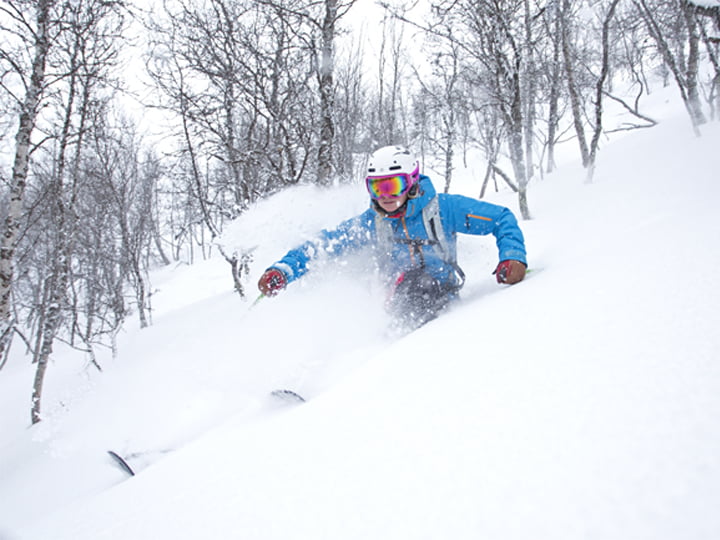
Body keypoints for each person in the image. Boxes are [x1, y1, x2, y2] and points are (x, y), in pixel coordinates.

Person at [258, 145, 527, 328]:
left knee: (420, 285)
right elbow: (326, 245)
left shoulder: (444, 209)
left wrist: (512, 257)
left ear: (410, 182)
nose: (385, 196)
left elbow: (501, 218)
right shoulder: (373, 223)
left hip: (442, 301)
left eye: (392, 185)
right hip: (394, 306)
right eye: (376, 188)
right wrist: (284, 270)